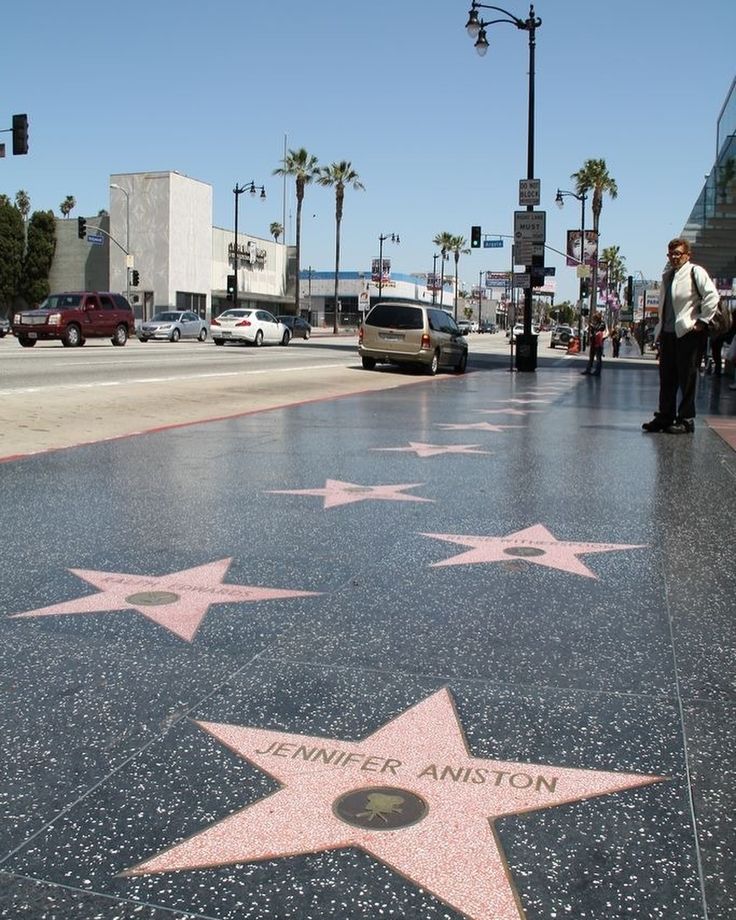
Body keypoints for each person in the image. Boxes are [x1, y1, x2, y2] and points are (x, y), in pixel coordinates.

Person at [642, 238, 719, 434]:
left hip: (688, 333)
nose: (674, 257)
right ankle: (665, 416)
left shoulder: (695, 272)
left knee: (687, 376)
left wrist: (701, 322)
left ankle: (685, 419)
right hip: (668, 334)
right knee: (667, 377)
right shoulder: (668, 276)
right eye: (671, 254)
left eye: (678, 253)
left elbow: (712, 296)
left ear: (687, 255)